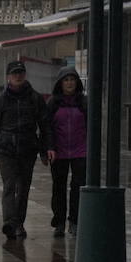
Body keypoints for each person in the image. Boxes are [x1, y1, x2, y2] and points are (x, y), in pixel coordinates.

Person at [0, 60, 50, 240]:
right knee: (9, 185)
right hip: (6, 149)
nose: (18, 76)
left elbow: (44, 125)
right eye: (14, 73)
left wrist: (44, 150)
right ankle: (9, 222)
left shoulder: (35, 98)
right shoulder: (0, 100)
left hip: (28, 148)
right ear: (8, 77)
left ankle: (19, 223)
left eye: (20, 73)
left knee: (23, 188)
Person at [46, 66, 87, 238]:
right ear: (60, 83)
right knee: (59, 188)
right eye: (66, 80)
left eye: (72, 80)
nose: (69, 83)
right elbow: (47, 127)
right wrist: (49, 147)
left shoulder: (84, 102)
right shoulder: (53, 103)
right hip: (59, 152)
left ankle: (75, 221)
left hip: (80, 151)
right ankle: (59, 222)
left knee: (78, 187)